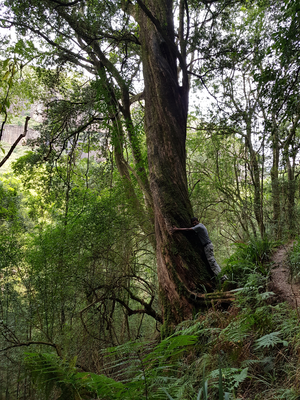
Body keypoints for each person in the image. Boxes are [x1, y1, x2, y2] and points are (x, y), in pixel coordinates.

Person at [172, 217, 228, 283]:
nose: (194, 223)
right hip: (206, 246)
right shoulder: (200, 226)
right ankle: (220, 278)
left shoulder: (199, 226)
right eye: (193, 223)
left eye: (195, 222)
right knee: (210, 262)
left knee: (212, 262)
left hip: (207, 246)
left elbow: (188, 229)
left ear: (198, 221)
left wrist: (177, 229)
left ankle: (223, 277)